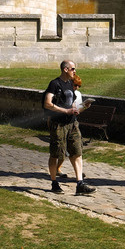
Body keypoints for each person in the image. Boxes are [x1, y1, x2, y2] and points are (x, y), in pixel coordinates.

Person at [42, 59, 96, 196]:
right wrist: (65, 111)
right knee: (56, 154)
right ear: (65, 69)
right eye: (73, 69)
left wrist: (82, 107)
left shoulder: (71, 84)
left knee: (77, 152)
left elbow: (71, 107)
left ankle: (80, 184)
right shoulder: (55, 84)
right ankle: (54, 183)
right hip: (58, 124)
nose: (75, 71)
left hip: (72, 123)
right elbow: (47, 104)